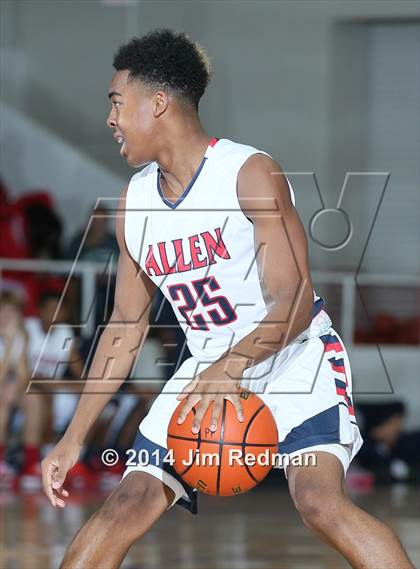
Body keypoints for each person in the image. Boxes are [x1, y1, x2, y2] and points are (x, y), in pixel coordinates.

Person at [41, 29, 414, 569]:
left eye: (117, 105)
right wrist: (74, 437)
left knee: (319, 503)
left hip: (292, 360)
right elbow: (124, 326)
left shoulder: (249, 174)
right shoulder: (135, 204)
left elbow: (295, 298)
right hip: (207, 368)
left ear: (159, 103)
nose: (111, 120)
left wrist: (233, 365)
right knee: (128, 502)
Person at [0, 291, 28, 484]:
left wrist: (15, 388)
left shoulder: (19, 337)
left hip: (6, 391)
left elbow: (24, 374)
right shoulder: (9, 340)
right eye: (4, 311)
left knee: (34, 401)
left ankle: (32, 461)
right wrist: (9, 345)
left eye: (12, 312)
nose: (8, 317)